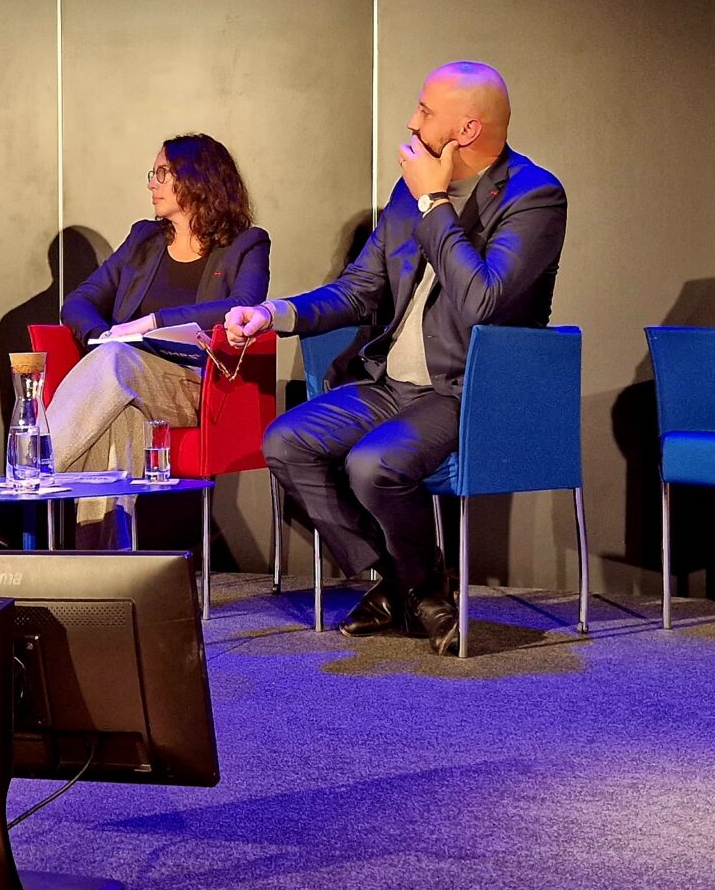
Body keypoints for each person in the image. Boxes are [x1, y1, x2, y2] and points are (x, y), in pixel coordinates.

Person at [227, 61, 565, 654]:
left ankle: (415, 590)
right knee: (286, 441)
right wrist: (276, 314)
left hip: (465, 390)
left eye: (425, 112)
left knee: (373, 465)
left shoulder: (533, 196)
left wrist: (435, 204)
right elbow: (361, 289)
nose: (412, 122)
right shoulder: (405, 198)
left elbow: (483, 299)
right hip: (392, 383)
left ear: (465, 130)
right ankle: (414, 583)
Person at [43, 134, 269, 538]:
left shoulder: (246, 244)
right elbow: (78, 301)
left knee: (115, 363)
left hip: (196, 387)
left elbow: (243, 306)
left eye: (163, 173)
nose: (152, 182)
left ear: (199, 180)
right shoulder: (144, 239)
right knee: (121, 418)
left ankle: (32, 476)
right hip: (126, 382)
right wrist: (103, 335)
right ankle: (106, 569)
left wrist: (152, 322)